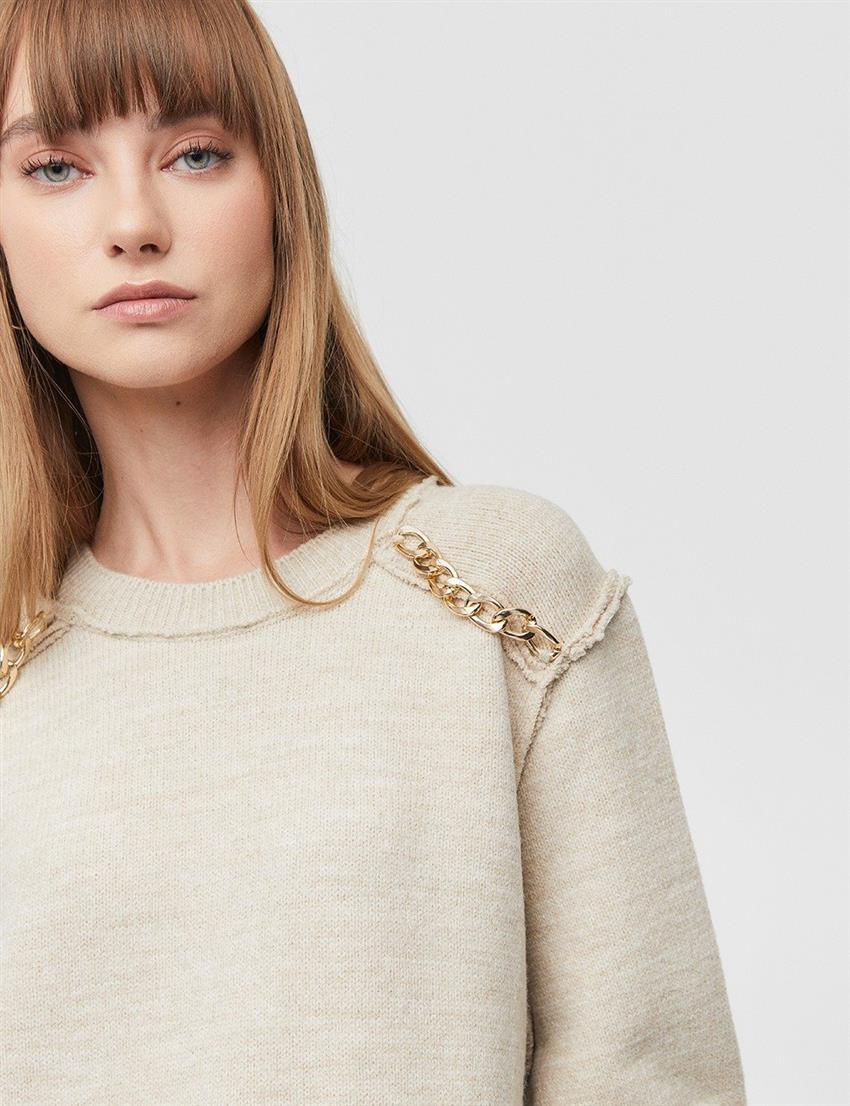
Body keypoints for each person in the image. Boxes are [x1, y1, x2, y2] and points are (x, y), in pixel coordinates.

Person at [0, 1, 747, 1102]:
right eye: (55, 168)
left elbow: (650, 1071)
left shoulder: (491, 590)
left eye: (196, 153)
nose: (133, 222)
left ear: (282, 194)